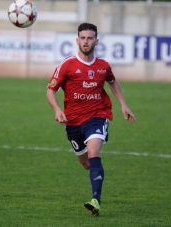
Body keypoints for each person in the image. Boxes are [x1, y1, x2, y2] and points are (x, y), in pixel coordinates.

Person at [46, 23, 136, 216]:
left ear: (96, 40)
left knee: (94, 151)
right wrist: (56, 110)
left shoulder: (103, 65)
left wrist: (123, 104)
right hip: (73, 121)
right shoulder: (67, 65)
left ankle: (96, 200)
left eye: (90, 38)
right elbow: (50, 90)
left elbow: (113, 82)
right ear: (77, 40)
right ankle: (95, 182)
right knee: (87, 163)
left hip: (98, 115)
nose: (86, 42)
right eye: (83, 38)